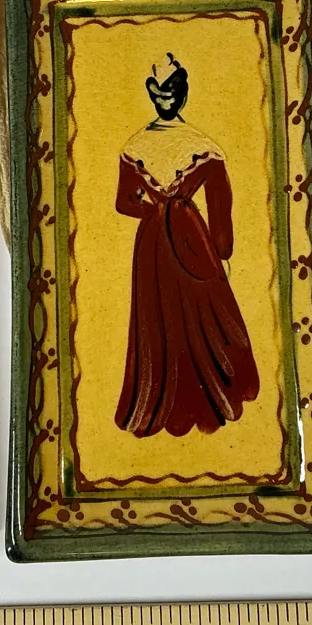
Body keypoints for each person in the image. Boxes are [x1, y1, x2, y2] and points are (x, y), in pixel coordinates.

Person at [113, 54, 259, 437]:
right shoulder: (195, 145)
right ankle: (199, 397)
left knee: (177, 316)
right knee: (185, 314)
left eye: (168, 93)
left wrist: (154, 211)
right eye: (162, 93)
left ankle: (181, 398)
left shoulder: (143, 145)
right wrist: (220, 250)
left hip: (159, 241)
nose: (166, 99)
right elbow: (219, 206)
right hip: (183, 236)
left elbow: (126, 203)